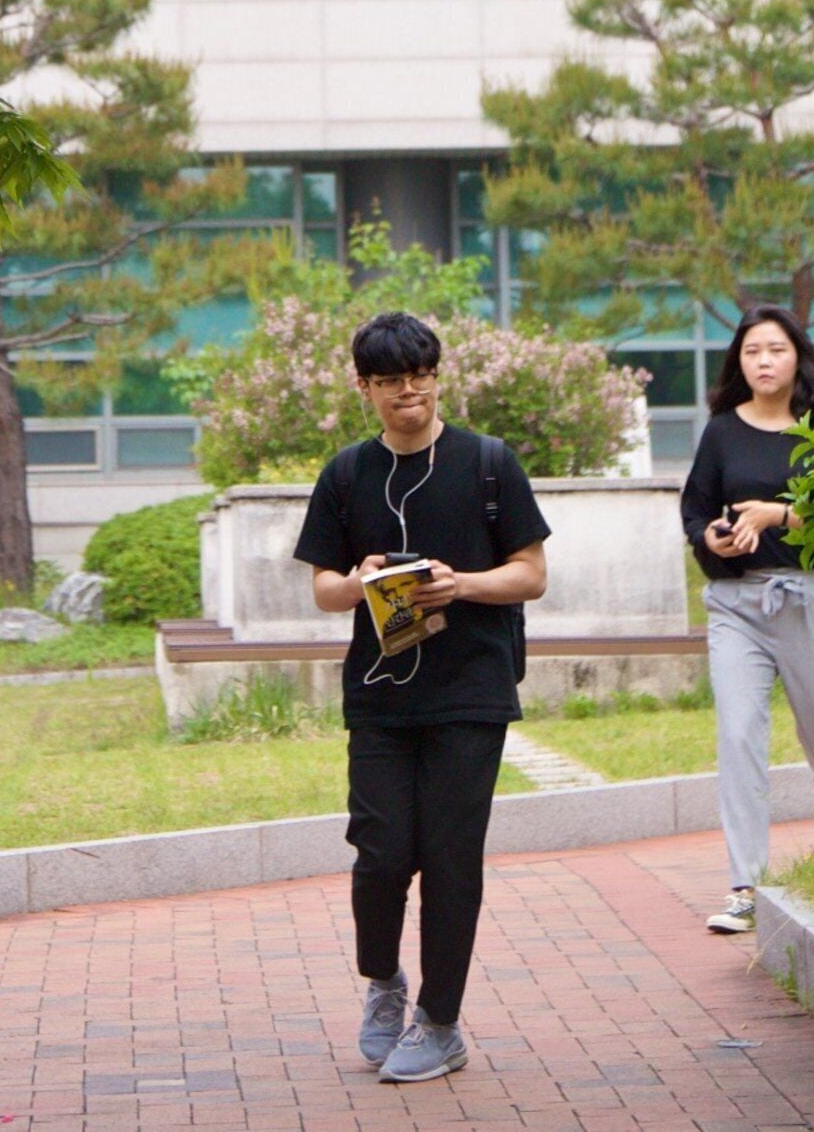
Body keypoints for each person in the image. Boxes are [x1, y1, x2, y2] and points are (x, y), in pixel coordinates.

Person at [292, 309, 550, 1084]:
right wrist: (363, 580)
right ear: (365, 387)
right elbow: (324, 590)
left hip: (471, 688)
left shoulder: (489, 464)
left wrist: (461, 585)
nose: (412, 394)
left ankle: (440, 1021)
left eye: (423, 377)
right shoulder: (346, 474)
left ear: (438, 375)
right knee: (379, 854)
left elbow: (532, 572)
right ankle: (384, 984)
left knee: (449, 858)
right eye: (393, 382)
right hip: (379, 695)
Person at [681, 303, 814, 936]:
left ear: (798, 356)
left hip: (811, 601)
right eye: (752, 351)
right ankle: (746, 887)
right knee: (738, 737)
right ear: (739, 361)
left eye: (776, 350)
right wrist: (718, 538)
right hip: (738, 606)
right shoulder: (723, 431)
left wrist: (780, 516)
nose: (763, 361)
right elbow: (696, 514)